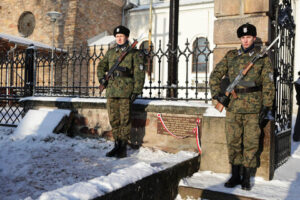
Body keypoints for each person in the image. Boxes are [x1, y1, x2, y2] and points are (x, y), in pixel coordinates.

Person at [209, 23, 275, 190]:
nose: (245, 41)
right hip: (233, 107)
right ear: (240, 39)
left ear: (253, 38)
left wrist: (267, 106)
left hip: (254, 108)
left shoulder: (262, 58)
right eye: (243, 38)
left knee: (251, 142)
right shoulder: (231, 56)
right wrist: (217, 94)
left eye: (249, 38)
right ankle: (235, 175)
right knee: (233, 141)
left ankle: (246, 177)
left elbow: (268, 83)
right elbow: (216, 74)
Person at [97, 25, 145, 158]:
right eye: (117, 37)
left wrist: (136, 91)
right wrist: (101, 79)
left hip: (126, 92)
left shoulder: (135, 54)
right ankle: (116, 145)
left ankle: (123, 147)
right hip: (112, 91)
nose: (119, 39)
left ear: (127, 37)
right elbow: (101, 66)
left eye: (121, 36)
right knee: (114, 119)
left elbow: (139, 73)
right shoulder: (111, 53)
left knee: (125, 120)